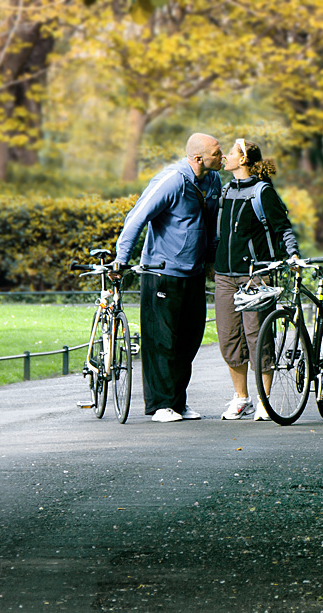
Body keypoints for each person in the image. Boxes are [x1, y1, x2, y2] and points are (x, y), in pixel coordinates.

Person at [114, 133, 223, 422]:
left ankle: (177, 401)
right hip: (162, 271)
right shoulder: (172, 180)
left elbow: (212, 223)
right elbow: (137, 217)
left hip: (194, 272)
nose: (222, 157)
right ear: (198, 158)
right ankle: (161, 405)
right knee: (162, 341)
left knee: (189, 339)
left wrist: (211, 259)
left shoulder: (213, 181)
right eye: (216, 153)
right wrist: (122, 258)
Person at [213, 138, 300, 421]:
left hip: (255, 275)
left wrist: (293, 255)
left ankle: (264, 401)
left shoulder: (263, 192)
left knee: (257, 339)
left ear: (243, 159)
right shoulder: (226, 190)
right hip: (224, 276)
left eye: (231, 153)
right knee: (229, 339)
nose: (225, 157)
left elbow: (283, 228)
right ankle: (242, 399)